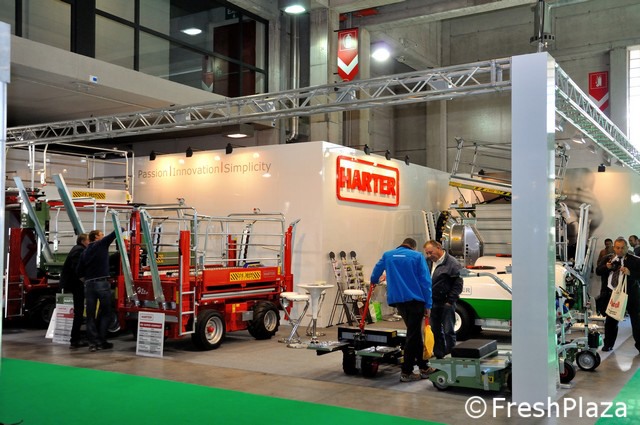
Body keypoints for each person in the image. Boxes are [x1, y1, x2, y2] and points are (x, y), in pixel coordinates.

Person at [370, 237, 432, 382]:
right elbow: (425, 281)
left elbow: (375, 273)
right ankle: (406, 372)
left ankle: (423, 367)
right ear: (413, 247)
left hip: (398, 301)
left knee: (414, 334)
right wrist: (428, 305)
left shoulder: (388, 255)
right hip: (416, 301)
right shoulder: (417, 256)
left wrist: (374, 280)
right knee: (412, 335)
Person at [595, 237, 640, 352]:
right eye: (618, 248)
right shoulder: (607, 259)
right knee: (610, 321)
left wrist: (631, 273)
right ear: (614, 248)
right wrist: (606, 267)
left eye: (622, 248)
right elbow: (598, 271)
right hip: (613, 295)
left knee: (636, 322)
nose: (620, 250)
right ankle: (608, 344)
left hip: (631, 296)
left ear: (627, 248)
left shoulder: (635, 260)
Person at [77, 229, 117, 352]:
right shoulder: (101, 244)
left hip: (89, 285)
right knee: (106, 313)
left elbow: (79, 271)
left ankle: (92, 343)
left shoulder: (85, 252)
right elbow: (115, 233)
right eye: (101, 235)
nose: (103, 236)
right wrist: (122, 228)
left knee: (90, 315)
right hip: (102, 283)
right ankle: (102, 341)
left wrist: (87, 281)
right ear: (96, 237)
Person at [423, 240, 464, 359]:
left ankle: (451, 356)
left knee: (448, 331)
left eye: (431, 252)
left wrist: (450, 301)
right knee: (435, 330)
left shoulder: (453, 264)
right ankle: (439, 356)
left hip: (446, 303)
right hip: (432, 302)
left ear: (439, 248)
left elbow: (458, 284)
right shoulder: (427, 262)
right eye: (427, 253)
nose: (429, 255)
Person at [60, 233, 89, 349]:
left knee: (79, 311)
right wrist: (83, 279)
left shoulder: (78, 249)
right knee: (79, 311)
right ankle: (75, 339)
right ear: (82, 241)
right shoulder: (79, 250)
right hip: (75, 284)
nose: (90, 242)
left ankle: (76, 338)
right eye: (88, 240)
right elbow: (77, 267)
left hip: (74, 283)